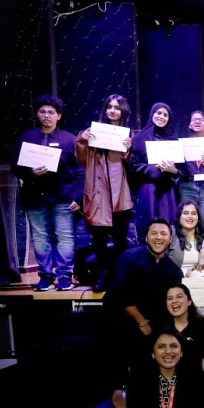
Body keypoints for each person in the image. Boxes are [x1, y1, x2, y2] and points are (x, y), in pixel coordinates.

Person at [13, 94, 83, 291]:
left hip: (63, 197)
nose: (46, 115)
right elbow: (14, 166)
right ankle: (45, 275)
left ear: (58, 116)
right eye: (42, 111)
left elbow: (81, 170)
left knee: (65, 236)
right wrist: (30, 172)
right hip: (35, 197)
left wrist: (78, 197)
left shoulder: (69, 139)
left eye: (51, 112)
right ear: (37, 114)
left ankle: (64, 275)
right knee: (40, 237)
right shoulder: (27, 137)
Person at [76, 94, 135, 292]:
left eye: (117, 107)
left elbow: (132, 165)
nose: (112, 111)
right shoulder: (94, 133)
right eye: (109, 107)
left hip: (120, 194)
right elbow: (82, 160)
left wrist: (128, 149)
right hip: (99, 193)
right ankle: (102, 275)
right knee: (99, 239)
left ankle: (121, 277)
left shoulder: (129, 135)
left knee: (120, 240)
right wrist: (83, 141)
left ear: (123, 111)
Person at [110, 219, 184, 351]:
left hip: (155, 330)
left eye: (163, 234)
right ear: (146, 237)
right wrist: (142, 322)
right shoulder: (129, 257)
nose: (158, 237)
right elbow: (122, 296)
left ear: (170, 240)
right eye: (154, 233)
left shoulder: (174, 271)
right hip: (123, 325)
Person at [129, 103, 181, 239]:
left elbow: (182, 170)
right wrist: (153, 168)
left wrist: (174, 171)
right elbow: (132, 166)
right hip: (147, 190)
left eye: (165, 115)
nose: (161, 117)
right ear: (152, 114)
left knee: (167, 226)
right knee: (148, 226)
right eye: (158, 113)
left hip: (168, 192)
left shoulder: (173, 141)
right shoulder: (139, 139)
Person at [178, 111, 204, 231]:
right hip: (187, 187)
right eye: (194, 119)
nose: (197, 122)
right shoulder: (183, 144)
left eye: (201, 120)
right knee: (186, 223)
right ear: (190, 125)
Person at [163, 282, 204, 367]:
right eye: (170, 298)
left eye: (179, 296)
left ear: (189, 301)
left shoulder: (203, 328)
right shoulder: (162, 330)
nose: (174, 301)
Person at [168, 201, 204, 275]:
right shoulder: (171, 233)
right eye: (185, 213)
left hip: (198, 279)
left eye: (193, 213)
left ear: (198, 218)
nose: (190, 216)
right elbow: (162, 262)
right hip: (174, 278)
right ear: (179, 216)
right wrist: (184, 272)